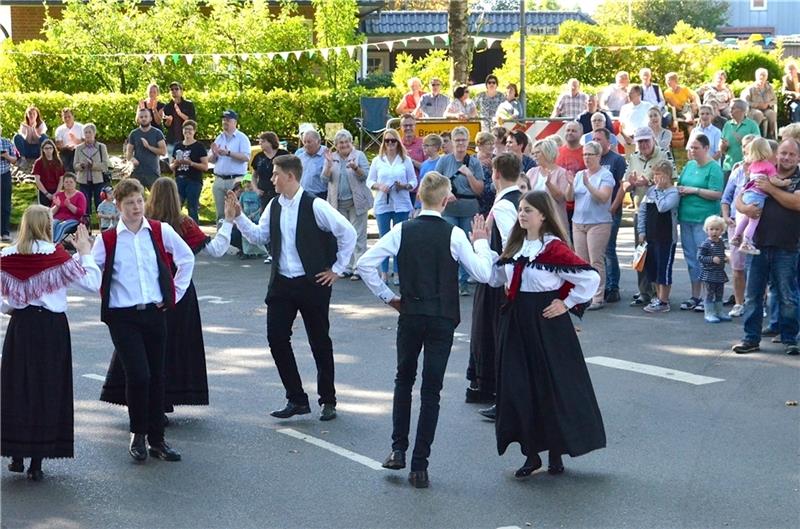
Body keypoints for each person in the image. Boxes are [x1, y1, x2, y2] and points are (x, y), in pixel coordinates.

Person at [356, 171, 494, 489]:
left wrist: (389, 297)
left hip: (411, 312)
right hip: (442, 316)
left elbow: (365, 263)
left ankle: (397, 448)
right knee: (431, 390)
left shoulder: (403, 230)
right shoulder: (454, 235)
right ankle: (420, 465)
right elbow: (484, 274)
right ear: (446, 200)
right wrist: (482, 243)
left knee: (404, 380)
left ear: (420, 197)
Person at [229, 154, 356, 420]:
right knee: (276, 339)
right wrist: (239, 218)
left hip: (312, 283)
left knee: (319, 341)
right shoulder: (274, 205)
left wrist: (338, 269)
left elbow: (348, 232)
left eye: (275, 173)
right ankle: (296, 398)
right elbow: (260, 236)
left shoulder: (315, 205)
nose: (271, 178)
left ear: (290, 176)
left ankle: (328, 400)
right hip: (282, 283)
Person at [489, 190, 604, 478]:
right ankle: (531, 454)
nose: (522, 214)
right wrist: (479, 246)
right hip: (517, 322)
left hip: (546, 323)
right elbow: (493, 277)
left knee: (550, 386)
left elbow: (590, 277)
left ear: (543, 215)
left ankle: (555, 452)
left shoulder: (552, 248)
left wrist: (565, 304)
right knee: (519, 387)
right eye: (521, 209)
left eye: (528, 209)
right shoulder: (514, 247)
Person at [100, 177, 230, 423]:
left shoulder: (149, 224)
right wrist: (230, 223)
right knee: (174, 348)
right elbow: (215, 249)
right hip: (174, 292)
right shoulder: (180, 224)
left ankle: (143, 405)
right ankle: (163, 401)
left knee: (141, 354)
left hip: (150, 292)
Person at [91, 178, 194, 462]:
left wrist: (173, 293)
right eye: (129, 203)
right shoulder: (108, 239)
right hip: (122, 316)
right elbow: (89, 272)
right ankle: (138, 433)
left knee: (158, 375)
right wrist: (84, 259)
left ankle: (158, 440)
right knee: (139, 374)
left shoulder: (159, 231)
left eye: (139, 201)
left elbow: (186, 259)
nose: (136, 207)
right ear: (118, 206)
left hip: (154, 312)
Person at [1, 208, 99, 481]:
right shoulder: (56, 256)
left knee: (17, 387)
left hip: (21, 327)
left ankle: (16, 454)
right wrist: (86, 253)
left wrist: (11, 306)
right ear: (47, 225)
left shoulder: (8, 256)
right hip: (51, 328)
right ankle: (37, 461)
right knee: (48, 388)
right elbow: (92, 284)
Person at [732, 139, 800, 356]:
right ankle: (750, 338)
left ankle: (790, 339)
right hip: (757, 244)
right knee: (753, 295)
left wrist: (770, 188)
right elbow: (740, 197)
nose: (786, 158)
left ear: (798, 158)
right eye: (783, 153)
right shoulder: (762, 168)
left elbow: (796, 203)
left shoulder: (797, 178)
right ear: (776, 154)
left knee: (787, 295)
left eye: (791, 154)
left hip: (787, 246)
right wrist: (745, 208)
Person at [466, 153, 521, 407]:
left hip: (498, 277)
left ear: (496, 173)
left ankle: (494, 389)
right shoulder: (517, 198)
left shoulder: (504, 205)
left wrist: (482, 246)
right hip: (501, 274)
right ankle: (486, 385)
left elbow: (513, 241)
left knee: (489, 331)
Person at [676, 134, 725, 313]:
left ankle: (708, 297)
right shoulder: (689, 165)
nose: (692, 151)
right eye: (690, 148)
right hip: (686, 218)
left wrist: (694, 190)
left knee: (706, 259)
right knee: (691, 259)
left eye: (696, 148)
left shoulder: (714, 168)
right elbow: (680, 184)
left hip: (703, 221)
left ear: (706, 148)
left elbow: (717, 193)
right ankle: (695, 295)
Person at [624, 126, 671, 307]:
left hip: (659, 212)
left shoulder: (664, 155)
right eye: (640, 141)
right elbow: (625, 182)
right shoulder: (633, 158)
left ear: (653, 140)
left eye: (646, 140)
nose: (643, 144)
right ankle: (644, 291)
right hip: (639, 209)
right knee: (641, 253)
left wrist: (650, 182)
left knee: (657, 253)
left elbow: (671, 180)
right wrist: (631, 183)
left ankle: (659, 294)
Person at [435, 126, 485, 295]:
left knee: (466, 246)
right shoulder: (444, 161)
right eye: (457, 140)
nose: (461, 143)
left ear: (467, 141)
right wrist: (447, 192)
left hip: (469, 208)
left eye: (463, 140)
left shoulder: (475, 162)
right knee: (449, 245)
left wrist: (469, 175)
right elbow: (435, 183)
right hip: (449, 209)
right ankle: (450, 282)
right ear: (452, 142)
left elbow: (479, 190)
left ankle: (463, 281)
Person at [565, 141, 614, 310]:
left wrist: (588, 185)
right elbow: (569, 198)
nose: (586, 158)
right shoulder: (579, 175)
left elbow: (603, 197)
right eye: (584, 154)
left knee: (596, 261)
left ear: (598, 156)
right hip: (578, 222)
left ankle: (597, 297)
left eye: (590, 154)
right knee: (581, 261)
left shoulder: (605, 175)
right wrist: (571, 184)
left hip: (598, 223)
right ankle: (584, 295)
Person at [368, 129, 417, 284]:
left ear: (398, 142)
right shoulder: (378, 160)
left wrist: (404, 185)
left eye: (393, 141)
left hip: (401, 203)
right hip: (383, 203)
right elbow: (369, 181)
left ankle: (397, 271)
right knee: (384, 238)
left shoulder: (405, 160)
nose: (390, 144)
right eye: (387, 141)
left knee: (399, 238)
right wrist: (379, 186)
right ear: (384, 143)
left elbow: (414, 181)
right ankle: (384, 272)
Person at [321, 129, 372, 279]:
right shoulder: (331, 157)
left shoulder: (359, 156)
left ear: (351, 143)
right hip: (337, 203)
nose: (344, 145)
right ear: (336, 145)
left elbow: (367, 176)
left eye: (346, 142)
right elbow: (324, 180)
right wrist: (328, 166)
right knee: (343, 236)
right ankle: (346, 267)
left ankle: (358, 267)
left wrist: (356, 168)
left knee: (358, 235)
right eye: (341, 143)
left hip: (357, 202)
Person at [721, 134, 758, 318]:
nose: (745, 151)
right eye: (743, 147)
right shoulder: (737, 171)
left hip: (755, 225)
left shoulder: (763, 171)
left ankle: (757, 303)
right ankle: (738, 302)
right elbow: (726, 197)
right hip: (735, 225)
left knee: (756, 267)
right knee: (737, 267)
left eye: (749, 147)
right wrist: (726, 216)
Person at [636, 160, 680, 313]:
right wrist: (641, 231)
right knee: (653, 268)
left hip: (666, 238)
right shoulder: (650, 191)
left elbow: (663, 208)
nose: (656, 178)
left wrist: (658, 191)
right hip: (651, 236)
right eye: (654, 175)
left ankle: (664, 300)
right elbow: (642, 211)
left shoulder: (673, 193)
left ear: (667, 176)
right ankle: (658, 297)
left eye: (659, 175)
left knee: (664, 268)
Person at [592, 128, 627, 303]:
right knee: (598, 252)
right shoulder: (593, 159)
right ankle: (602, 285)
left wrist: (613, 207)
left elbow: (623, 186)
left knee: (609, 249)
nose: (596, 142)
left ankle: (613, 287)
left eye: (599, 139)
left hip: (610, 211)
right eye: (593, 139)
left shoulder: (617, 160)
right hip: (594, 214)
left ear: (608, 141)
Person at [731, 137, 783, 255]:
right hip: (757, 197)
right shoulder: (769, 167)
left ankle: (736, 236)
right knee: (753, 220)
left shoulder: (754, 165)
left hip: (748, 194)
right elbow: (774, 181)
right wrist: (784, 183)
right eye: (778, 154)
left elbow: (747, 182)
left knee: (746, 219)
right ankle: (746, 242)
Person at [209, 110, 251, 221]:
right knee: (220, 215)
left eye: (227, 120)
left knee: (237, 214)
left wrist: (228, 153)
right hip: (219, 179)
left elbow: (246, 158)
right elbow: (211, 160)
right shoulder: (219, 138)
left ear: (235, 122)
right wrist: (214, 154)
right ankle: (222, 237)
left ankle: (236, 238)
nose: (224, 122)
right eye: (223, 120)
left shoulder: (242, 138)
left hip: (235, 180)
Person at [169, 119, 208, 223]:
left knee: (192, 208)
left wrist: (191, 163)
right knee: (176, 207)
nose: (188, 132)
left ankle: (195, 233)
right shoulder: (178, 146)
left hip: (194, 180)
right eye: (186, 129)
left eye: (190, 129)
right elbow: (171, 166)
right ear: (182, 131)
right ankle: (175, 231)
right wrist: (176, 163)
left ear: (194, 131)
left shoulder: (199, 146)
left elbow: (205, 166)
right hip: (179, 179)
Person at [526, 138, 569, 230]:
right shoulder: (531, 172)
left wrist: (549, 184)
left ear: (548, 152)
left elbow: (561, 198)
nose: (535, 156)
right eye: (533, 153)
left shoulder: (561, 173)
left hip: (553, 221)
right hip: (533, 220)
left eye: (538, 153)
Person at [697, 215, 731, 323]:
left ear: (722, 230)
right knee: (709, 293)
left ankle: (719, 311)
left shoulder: (720, 243)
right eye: (711, 229)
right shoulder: (706, 244)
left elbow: (721, 253)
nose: (714, 232)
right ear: (706, 230)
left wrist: (725, 258)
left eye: (717, 229)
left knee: (719, 293)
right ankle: (709, 313)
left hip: (719, 273)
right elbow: (700, 257)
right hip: (709, 273)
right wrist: (711, 259)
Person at [72, 123, 110, 222]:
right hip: (83, 181)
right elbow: (75, 165)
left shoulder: (102, 147)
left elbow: (105, 165)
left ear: (94, 133)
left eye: (89, 132)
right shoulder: (79, 148)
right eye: (85, 132)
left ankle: (103, 226)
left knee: (100, 204)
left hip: (98, 180)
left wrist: (93, 165)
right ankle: (86, 227)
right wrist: (81, 166)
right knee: (85, 205)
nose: (87, 134)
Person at [127, 107, 167, 189]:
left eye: (146, 116)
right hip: (137, 173)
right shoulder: (134, 134)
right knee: (136, 198)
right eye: (141, 117)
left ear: (151, 118)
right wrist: (132, 159)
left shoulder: (157, 133)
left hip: (153, 172)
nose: (144, 119)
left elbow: (163, 152)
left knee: (156, 198)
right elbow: (128, 153)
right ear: (138, 119)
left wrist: (148, 147)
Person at [721, 99, 762, 178]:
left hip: (747, 167)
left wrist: (743, 141)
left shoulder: (752, 125)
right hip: (728, 166)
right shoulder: (727, 125)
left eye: (733, 108)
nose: (730, 111)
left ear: (742, 110)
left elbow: (758, 145)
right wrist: (723, 146)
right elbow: (722, 150)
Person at [252, 132, 289, 214]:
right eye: (260, 141)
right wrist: (256, 189)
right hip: (264, 194)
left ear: (270, 142)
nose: (260, 143)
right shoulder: (258, 157)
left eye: (263, 141)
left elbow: (289, 172)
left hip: (280, 193)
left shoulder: (283, 154)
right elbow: (254, 176)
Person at [741, 68, 778, 139]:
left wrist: (768, 104)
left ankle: (771, 134)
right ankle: (754, 134)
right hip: (753, 110)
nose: (761, 77)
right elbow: (745, 101)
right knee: (758, 114)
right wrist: (757, 105)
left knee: (772, 114)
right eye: (760, 75)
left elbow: (775, 100)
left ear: (766, 77)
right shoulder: (750, 88)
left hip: (766, 108)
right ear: (756, 76)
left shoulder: (769, 88)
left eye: (764, 75)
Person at [162, 82, 197, 156]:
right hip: (172, 140)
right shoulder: (167, 107)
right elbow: (166, 126)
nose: (174, 91)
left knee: (187, 164)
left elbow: (192, 121)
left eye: (176, 89)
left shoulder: (189, 105)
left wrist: (180, 114)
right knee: (172, 165)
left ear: (181, 91)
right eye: (172, 89)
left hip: (187, 140)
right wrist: (169, 121)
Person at [50, 173, 87, 243]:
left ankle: (55, 244)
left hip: (73, 219)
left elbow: (81, 213)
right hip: (58, 218)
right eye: (66, 182)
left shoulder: (80, 195)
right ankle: (48, 244)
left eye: (71, 182)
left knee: (62, 226)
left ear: (75, 183)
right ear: (63, 184)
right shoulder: (59, 195)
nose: (68, 184)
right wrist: (57, 206)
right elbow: (50, 213)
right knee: (52, 224)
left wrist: (69, 205)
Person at [239, 175, 268, 259]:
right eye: (246, 184)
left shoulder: (257, 194)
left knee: (257, 234)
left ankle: (261, 251)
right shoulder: (243, 195)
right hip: (246, 217)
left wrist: (254, 214)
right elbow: (240, 205)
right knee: (245, 235)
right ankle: (247, 252)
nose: (248, 186)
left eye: (250, 184)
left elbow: (261, 207)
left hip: (255, 217)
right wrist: (243, 214)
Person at [296, 129, 328, 199]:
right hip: (302, 195)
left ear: (318, 142)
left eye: (309, 142)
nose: (306, 145)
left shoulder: (327, 156)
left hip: (320, 196)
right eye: (304, 142)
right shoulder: (300, 157)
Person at [13, 106, 48, 170]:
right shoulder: (24, 125)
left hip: (38, 149)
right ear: (27, 115)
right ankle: (23, 159)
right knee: (17, 136)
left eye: (34, 114)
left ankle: (42, 159)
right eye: (30, 113)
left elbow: (39, 139)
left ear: (37, 115)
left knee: (44, 137)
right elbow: (26, 140)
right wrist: (28, 130)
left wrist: (34, 129)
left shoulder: (41, 124)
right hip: (27, 150)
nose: (32, 115)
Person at [32, 139, 65, 207]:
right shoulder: (38, 162)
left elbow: (61, 179)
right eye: (46, 148)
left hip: (56, 190)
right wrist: (46, 194)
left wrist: (57, 192)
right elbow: (37, 180)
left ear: (53, 149)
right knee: (44, 213)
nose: (48, 150)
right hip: (44, 192)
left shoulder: (58, 162)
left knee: (56, 213)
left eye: (50, 148)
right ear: (43, 150)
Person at [0, 126, 18, 242]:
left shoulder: (7, 142)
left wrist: (6, 156)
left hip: (5, 174)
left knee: (5, 204)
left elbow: (15, 159)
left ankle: (5, 232)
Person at [54, 108, 83, 172]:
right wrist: (66, 147)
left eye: (69, 117)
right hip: (65, 151)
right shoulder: (59, 130)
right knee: (63, 165)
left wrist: (76, 140)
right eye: (65, 117)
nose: (67, 119)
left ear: (73, 116)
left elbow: (86, 142)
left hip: (79, 150)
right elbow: (58, 145)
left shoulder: (81, 127)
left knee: (73, 163)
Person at [474, 131, 497, 216]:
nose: (492, 146)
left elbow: (502, 178)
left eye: (493, 143)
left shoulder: (497, 159)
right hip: (476, 202)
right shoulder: (472, 160)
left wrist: (493, 169)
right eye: (488, 144)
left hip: (493, 201)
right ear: (480, 145)